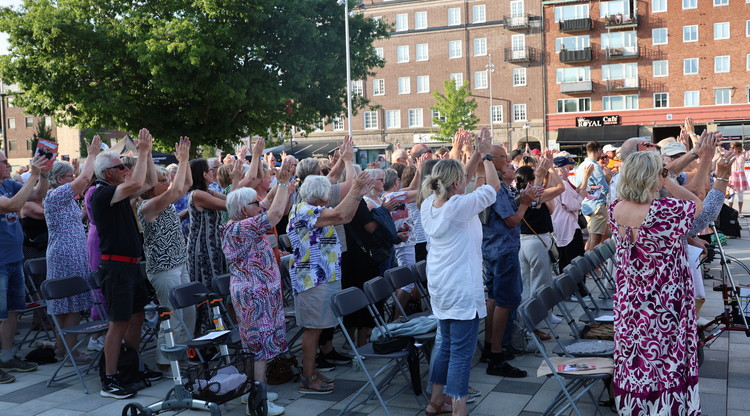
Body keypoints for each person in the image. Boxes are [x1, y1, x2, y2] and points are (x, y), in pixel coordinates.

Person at [609, 151, 703, 415]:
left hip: (630, 302)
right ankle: (666, 410)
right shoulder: (665, 211)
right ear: (654, 177)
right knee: (666, 362)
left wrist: (660, 178)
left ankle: (634, 408)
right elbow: (696, 203)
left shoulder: (615, 207)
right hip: (664, 302)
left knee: (635, 359)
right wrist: (668, 181)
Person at [421, 128, 500, 416]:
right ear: (456, 183)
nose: (466, 181)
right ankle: (459, 409)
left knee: (445, 346)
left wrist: (475, 154)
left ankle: (435, 401)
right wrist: (488, 156)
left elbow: (460, 179)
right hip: (461, 287)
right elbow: (492, 189)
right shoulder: (458, 206)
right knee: (461, 353)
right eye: (462, 179)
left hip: (441, 286)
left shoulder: (430, 204)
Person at [287, 172, 374, 395]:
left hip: (322, 277)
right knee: (313, 329)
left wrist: (357, 193)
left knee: (320, 326)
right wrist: (355, 190)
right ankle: (307, 378)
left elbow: (343, 216)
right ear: (321, 194)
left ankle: (312, 372)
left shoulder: (313, 209)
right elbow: (340, 216)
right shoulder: (305, 210)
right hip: (312, 280)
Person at [90, 129, 160, 399]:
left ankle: (131, 368)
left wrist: (148, 154)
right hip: (115, 268)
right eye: (120, 166)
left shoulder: (116, 192)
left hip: (130, 266)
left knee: (136, 317)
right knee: (118, 322)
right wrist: (140, 153)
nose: (125, 169)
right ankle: (110, 379)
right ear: (108, 172)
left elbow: (149, 181)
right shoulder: (102, 193)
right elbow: (138, 180)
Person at [222, 158, 295, 416]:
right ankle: (258, 401)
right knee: (259, 346)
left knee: (260, 345)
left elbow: (267, 204)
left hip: (261, 292)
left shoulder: (245, 220)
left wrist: (281, 181)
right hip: (254, 295)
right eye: (255, 203)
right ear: (244, 209)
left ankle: (254, 389)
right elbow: (274, 214)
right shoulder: (241, 228)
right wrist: (283, 183)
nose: (260, 205)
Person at [480, 144, 541, 379]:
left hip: (494, 250)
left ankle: (491, 347)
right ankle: (497, 354)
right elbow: (512, 221)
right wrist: (524, 204)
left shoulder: (497, 188)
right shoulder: (494, 189)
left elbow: (507, 211)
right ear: (493, 161)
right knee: (505, 301)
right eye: (504, 158)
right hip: (502, 251)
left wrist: (522, 199)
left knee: (495, 299)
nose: (509, 162)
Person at [137, 138, 196, 372]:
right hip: (164, 268)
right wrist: (180, 161)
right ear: (150, 187)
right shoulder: (147, 207)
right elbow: (177, 190)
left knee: (189, 312)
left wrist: (186, 161)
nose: (168, 183)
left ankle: (182, 355)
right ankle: (166, 360)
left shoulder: (164, 202)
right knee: (172, 314)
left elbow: (186, 183)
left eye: (166, 179)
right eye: (162, 180)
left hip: (179, 263)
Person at [43, 136, 102, 364]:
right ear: (59, 179)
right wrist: (93, 154)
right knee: (71, 305)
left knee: (68, 306)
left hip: (69, 254)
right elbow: (86, 178)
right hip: (65, 256)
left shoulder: (63, 198)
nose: (74, 180)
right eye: (70, 177)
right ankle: (71, 352)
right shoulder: (56, 195)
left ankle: (62, 350)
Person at [0, 151, 47, 384]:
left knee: (12, 311)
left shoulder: (8, 183)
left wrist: (44, 175)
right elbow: (13, 205)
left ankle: (7, 358)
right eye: (4, 162)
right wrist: (34, 174)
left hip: (14, 258)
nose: (8, 165)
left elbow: (38, 193)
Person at [187, 158, 228, 290]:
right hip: (203, 249)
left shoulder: (208, 192)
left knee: (217, 283)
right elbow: (228, 205)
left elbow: (231, 199)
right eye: (211, 170)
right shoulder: (198, 194)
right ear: (204, 174)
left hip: (212, 245)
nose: (213, 173)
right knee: (208, 287)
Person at [575, 141, 609, 251]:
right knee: (595, 240)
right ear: (598, 150)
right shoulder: (595, 166)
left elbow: (579, 186)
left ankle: (589, 265)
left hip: (586, 204)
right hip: (597, 205)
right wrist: (609, 179)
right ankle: (592, 267)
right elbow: (604, 189)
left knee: (591, 238)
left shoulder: (581, 166)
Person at [728, 141, 749, 215]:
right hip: (732, 176)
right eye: (731, 147)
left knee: (740, 195)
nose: (731, 148)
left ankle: (740, 212)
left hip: (740, 177)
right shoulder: (730, 154)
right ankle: (730, 212)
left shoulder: (743, 155)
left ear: (738, 148)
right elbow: (721, 151)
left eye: (733, 147)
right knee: (731, 195)